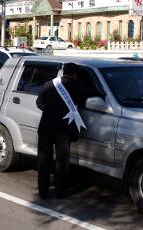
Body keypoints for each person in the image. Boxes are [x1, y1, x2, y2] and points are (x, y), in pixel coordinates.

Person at [36, 63, 98, 199]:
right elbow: (96, 92)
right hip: (64, 129)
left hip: (46, 126)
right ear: (75, 74)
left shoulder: (49, 84)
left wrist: (51, 112)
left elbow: (39, 103)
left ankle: (42, 192)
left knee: (43, 159)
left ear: (64, 72)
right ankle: (60, 192)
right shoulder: (78, 85)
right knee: (62, 161)